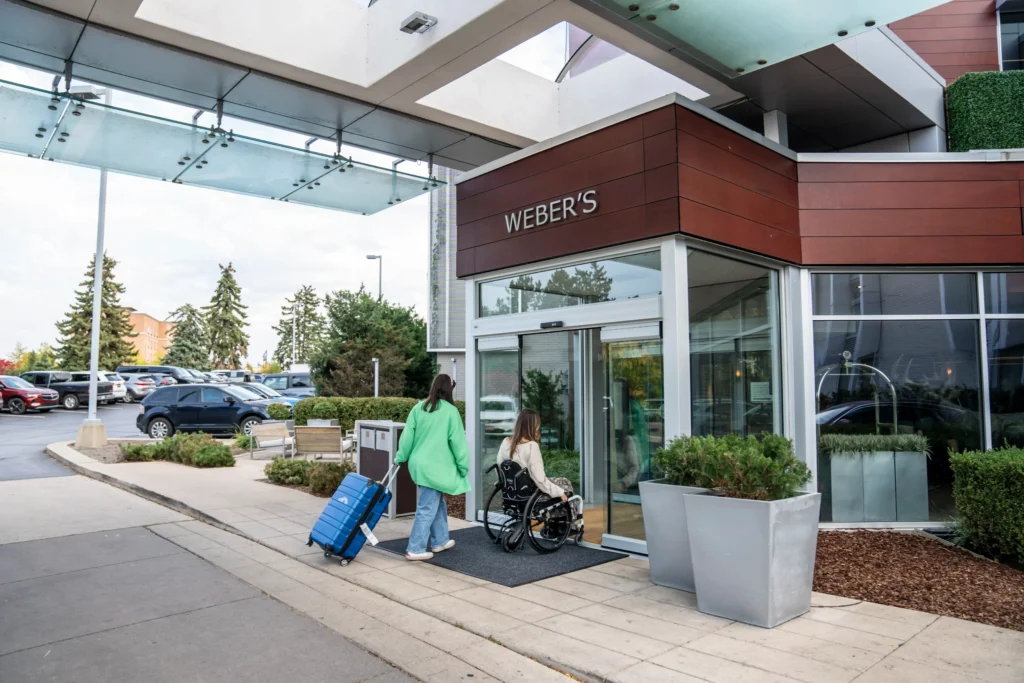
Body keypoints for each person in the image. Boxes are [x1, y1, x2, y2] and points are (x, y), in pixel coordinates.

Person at [394, 374, 470, 561]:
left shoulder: (418, 408)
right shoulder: (450, 411)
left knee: (437, 504)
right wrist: (463, 467)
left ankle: (440, 540)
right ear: (449, 389)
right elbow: (458, 443)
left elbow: (406, 439)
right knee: (427, 507)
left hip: (419, 465)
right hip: (436, 467)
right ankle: (415, 548)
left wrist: (400, 457)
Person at [496, 409, 580, 523]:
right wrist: (559, 492)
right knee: (565, 484)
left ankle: (556, 525)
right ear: (533, 426)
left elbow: (500, 467)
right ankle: (568, 524)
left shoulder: (506, 442)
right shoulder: (531, 446)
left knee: (559, 485)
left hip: (511, 491)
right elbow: (539, 479)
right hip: (530, 492)